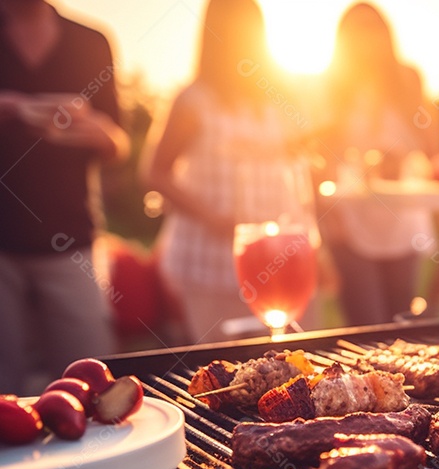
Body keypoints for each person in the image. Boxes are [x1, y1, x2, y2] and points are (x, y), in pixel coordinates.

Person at [143, 0, 316, 344]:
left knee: (293, 354)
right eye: (235, 29)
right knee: (225, 364)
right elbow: (155, 173)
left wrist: (313, 245)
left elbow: (292, 172)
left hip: (277, 252)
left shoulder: (273, 98)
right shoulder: (194, 100)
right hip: (210, 257)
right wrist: (213, 217)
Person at [0, 0, 129, 393]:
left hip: (71, 242)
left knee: (92, 385)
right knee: (6, 391)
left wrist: (97, 133)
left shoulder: (91, 42)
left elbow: (117, 141)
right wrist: (14, 107)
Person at [319, 3, 439, 326]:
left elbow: (434, 150)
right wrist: (331, 223)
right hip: (352, 221)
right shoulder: (333, 89)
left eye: (372, 30)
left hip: (403, 222)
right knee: (367, 327)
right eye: (357, 32)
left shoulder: (409, 81)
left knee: (402, 324)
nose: (366, 40)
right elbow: (319, 160)